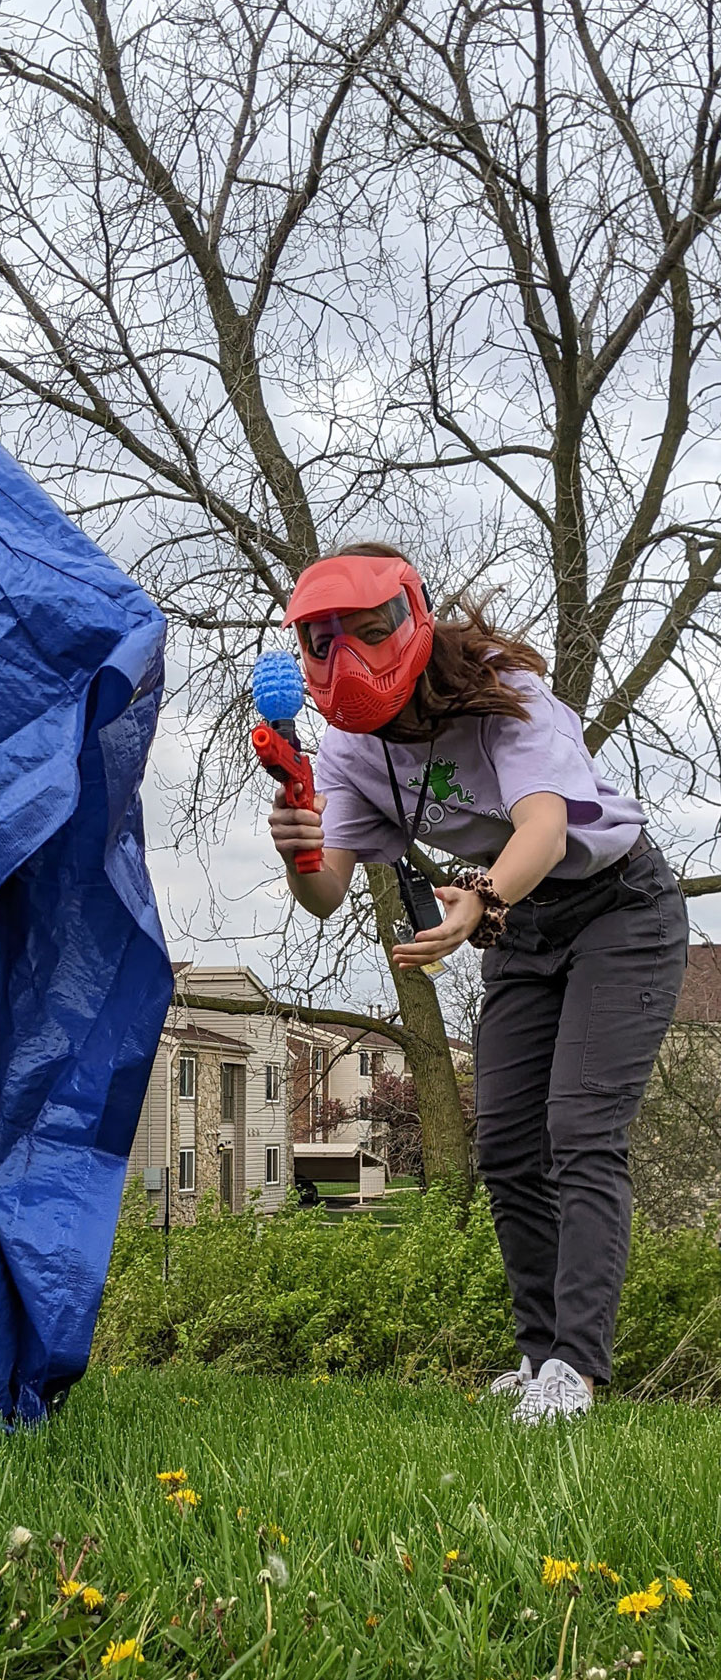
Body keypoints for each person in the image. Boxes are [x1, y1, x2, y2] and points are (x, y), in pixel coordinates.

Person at [267, 541, 688, 1424]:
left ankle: (579, 1368)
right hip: (519, 924)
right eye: (321, 642)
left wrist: (481, 901)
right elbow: (324, 894)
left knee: (579, 1128)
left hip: (619, 908)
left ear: (413, 619)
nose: (347, 659)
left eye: (370, 632)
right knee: (503, 1144)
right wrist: (300, 845)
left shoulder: (505, 690)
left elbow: (541, 825)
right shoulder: (346, 747)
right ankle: (539, 1361)